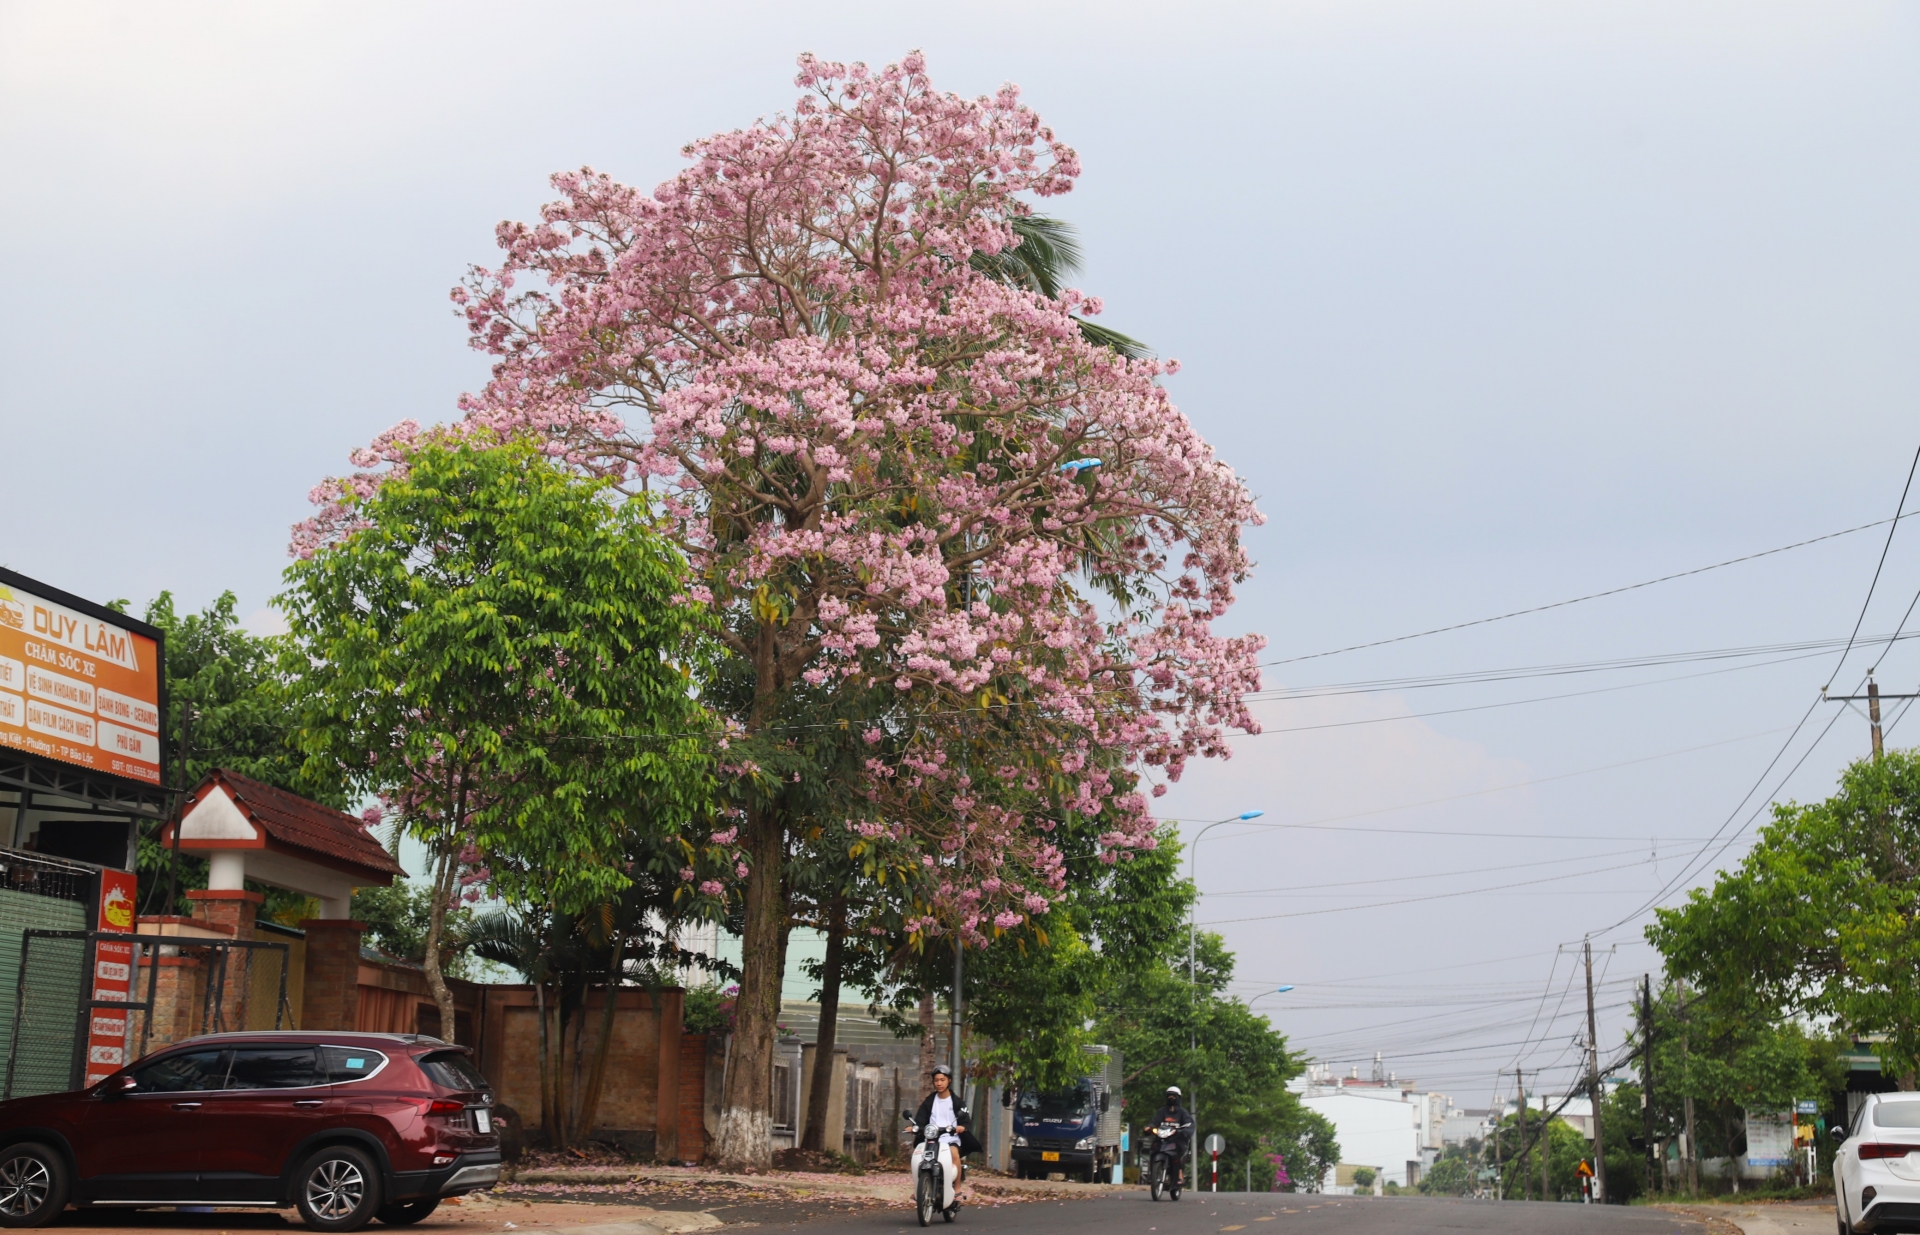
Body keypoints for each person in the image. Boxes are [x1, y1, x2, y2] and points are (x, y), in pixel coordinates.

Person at [912, 1065, 979, 1203]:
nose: (939, 1083)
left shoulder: (957, 1101)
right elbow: (920, 1118)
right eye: (936, 1080)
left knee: (954, 1155)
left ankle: (958, 1188)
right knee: (918, 1156)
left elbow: (965, 1119)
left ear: (949, 1080)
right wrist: (914, 1127)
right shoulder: (930, 1101)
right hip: (931, 1138)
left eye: (942, 1079)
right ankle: (919, 1188)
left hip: (951, 1137)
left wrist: (962, 1127)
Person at [1149, 1085, 1194, 1187]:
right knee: (1153, 1149)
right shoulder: (1161, 1111)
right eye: (1169, 1095)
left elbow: (1189, 1124)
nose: (1171, 1098)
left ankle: (1179, 1174)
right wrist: (1149, 1127)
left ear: (1178, 1098)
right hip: (1161, 1140)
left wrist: (1181, 1131)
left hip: (1177, 1140)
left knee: (1177, 1152)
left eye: (1173, 1096)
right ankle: (1153, 1174)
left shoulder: (1183, 1112)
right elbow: (1154, 1122)